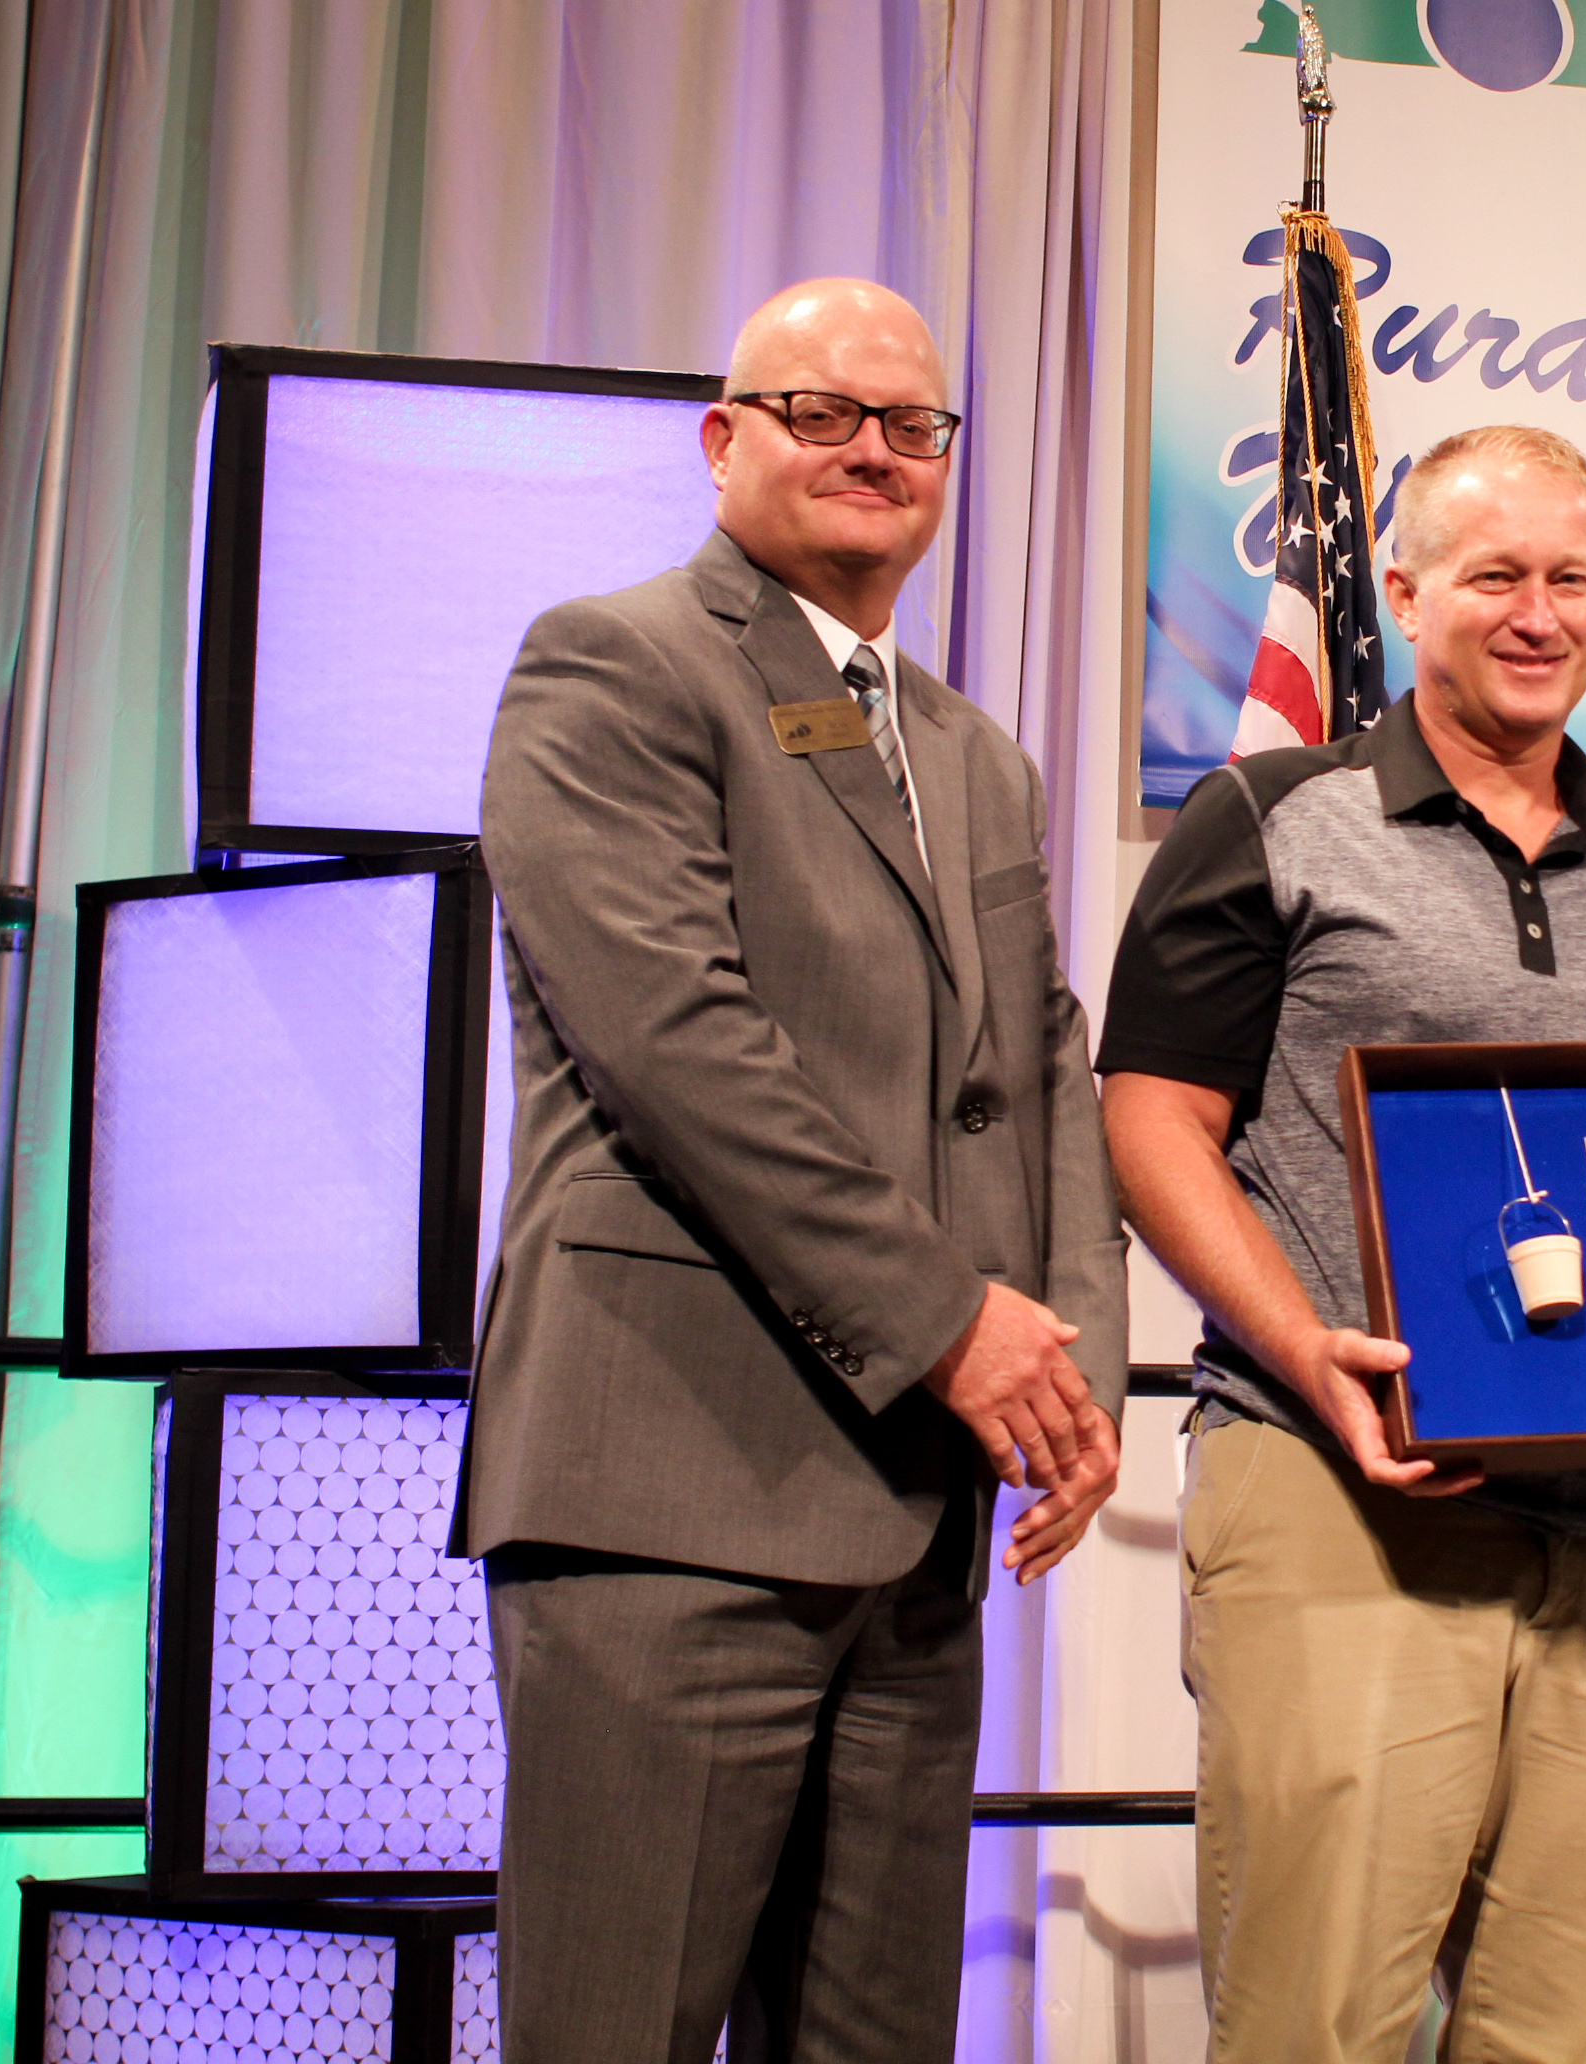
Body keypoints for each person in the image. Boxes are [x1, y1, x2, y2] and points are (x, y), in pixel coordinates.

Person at [456, 277, 1128, 2063]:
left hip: (912, 1519)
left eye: (913, 426)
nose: (875, 452)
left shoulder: (974, 753)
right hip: (668, 1485)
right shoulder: (613, 664)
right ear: (723, 437)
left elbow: (1040, 1065)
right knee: (618, 2032)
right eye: (823, 412)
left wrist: (1074, 1357)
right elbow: (682, 1052)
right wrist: (947, 1325)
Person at [1097, 424, 1586, 2063]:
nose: (1538, 614)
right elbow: (1151, 1124)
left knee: (1571, 2030)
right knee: (1317, 2024)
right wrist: (1311, 1361)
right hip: (1342, 1493)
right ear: (1401, 591)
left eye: (1572, 579)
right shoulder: (1266, 813)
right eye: (1493, 577)